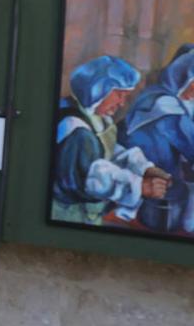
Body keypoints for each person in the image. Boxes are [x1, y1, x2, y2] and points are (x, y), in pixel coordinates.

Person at [52, 55, 170, 225]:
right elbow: (92, 176)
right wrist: (139, 186)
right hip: (68, 216)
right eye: (119, 95)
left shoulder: (94, 117)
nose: (122, 103)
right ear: (97, 90)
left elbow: (107, 151)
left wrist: (143, 168)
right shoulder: (75, 128)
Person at [123, 48, 194, 232]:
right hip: (145, 175)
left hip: (141, 169)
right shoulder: (166, 106)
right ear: (183, 77)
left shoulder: (157, 93)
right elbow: (190, 143)